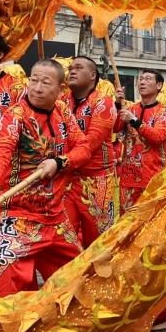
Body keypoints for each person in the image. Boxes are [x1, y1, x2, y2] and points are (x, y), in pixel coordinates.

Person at [0, 58, 90, 295]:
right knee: (5, 287)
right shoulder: (15, 115)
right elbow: (1, 152)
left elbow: (84, 147)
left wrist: (59, 162)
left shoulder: (63, 112)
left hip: (55, 216)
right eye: (34, 80)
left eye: (45, 83)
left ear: (61, 90)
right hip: (19, 215)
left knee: (79, 281)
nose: (37, 88)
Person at [63, 55, 118, 248]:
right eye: (70, 68)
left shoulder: (104, 104)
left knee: (99, 244)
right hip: (66, 181)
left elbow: (91, 143)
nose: (72, 71)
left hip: (98, 181)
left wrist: (61, 161)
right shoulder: (59, 103)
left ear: (93, 75)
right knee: (65, 239)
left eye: (78, 68)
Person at [115, 69, 166, 212]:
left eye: (147, 79)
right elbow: (115, 128)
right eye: (140, 79)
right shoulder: (131, 108)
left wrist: (134, 120)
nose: (142, 82)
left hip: (152, 178)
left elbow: (158, 137)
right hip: (128, 178)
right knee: (126, 224)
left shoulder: (164, 111)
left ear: (159, 85)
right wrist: (117, 104)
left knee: (148, 224)